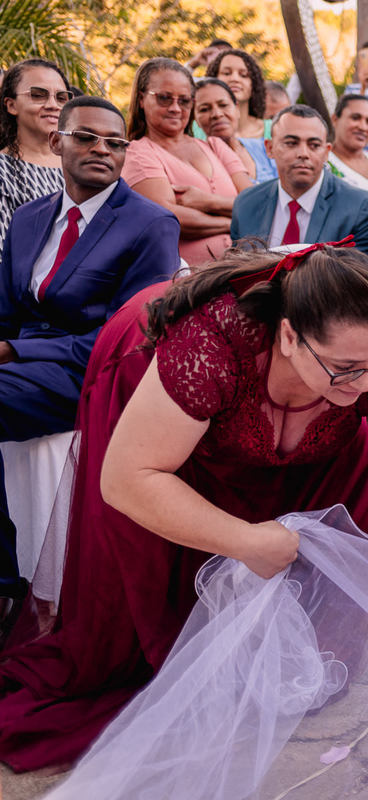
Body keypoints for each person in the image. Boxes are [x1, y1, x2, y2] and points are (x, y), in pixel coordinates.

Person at [0, 235, 368, 770]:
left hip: (263, 412)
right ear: (289, 336)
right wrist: (244, 540)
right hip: (151, 379)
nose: (362, 387)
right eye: (344, 369)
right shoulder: (208, 346)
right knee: (141, 603)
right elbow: (129, 480)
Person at [0, 96, 179, 641]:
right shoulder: (30, 219)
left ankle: (7, 586)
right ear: (58, 142)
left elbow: (130, 337)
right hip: (23, 363)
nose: (101, 149)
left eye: (115, 142)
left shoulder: (151, 224)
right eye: (87, 137)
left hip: (95, 372)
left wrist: (14, 353)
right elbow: (6, 313)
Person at [123, 58, 251, 267]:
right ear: (141, 99)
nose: (175, 108)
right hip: (190, 283)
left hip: (247, 268)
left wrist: (205, 202)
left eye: (184, 101)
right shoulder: (138, 153)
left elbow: (258, 205)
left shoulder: (215, 145)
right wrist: (234, 223)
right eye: (164, 98)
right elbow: (168, 217)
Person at [230, 105, 368, 258]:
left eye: (314, 145)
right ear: (269, 148)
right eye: (291, 143)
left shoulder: (361, 209)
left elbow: (354, 278)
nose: (303, 153)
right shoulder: (246, 204)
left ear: (326, 152)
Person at [0, 59, 69, 247]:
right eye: (38, 95)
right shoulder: (3, 171)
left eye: (61, 98)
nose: (53, 105)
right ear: (11, 105)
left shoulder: (83, 164)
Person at [193, 78, 275, 184]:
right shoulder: (199, 164)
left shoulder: (263, 148)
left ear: (237, 109)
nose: (217, 114)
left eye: (223, 105)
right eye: (204, 109)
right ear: (195, 119)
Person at [205, 50, 271, 155]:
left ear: (254, 85)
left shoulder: (273, 130)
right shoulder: (197, 129)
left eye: (244, 75)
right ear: (213, 79)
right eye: (226, 73)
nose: (235, 79)